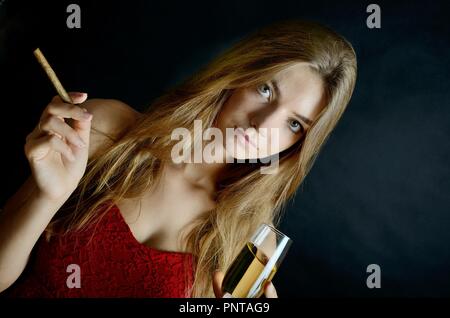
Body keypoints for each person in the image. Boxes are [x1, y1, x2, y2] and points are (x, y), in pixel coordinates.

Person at [0, 19, 357, 298]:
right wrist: (46, 196)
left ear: (300, 144)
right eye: (265, 89)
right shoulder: (107, 129)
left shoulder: (250, 246)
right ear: (237, 76)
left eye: (294, 123)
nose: (263, 124)